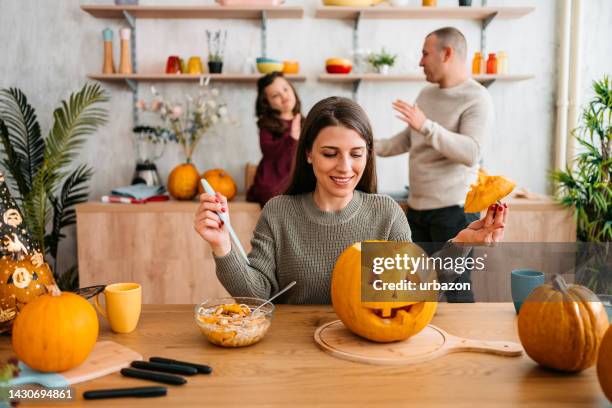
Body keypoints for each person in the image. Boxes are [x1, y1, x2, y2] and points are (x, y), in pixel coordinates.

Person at [194, 97, 507, 304]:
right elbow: (258, 297)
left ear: (368, 154)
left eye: (356, 154)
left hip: (367, 356)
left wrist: (463, 242)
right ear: (308, 154)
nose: (345, 167)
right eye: (330, 154)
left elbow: (415, 286)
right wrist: (222, 246)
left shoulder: (386, 213)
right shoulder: (279, 212)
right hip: (292, 358)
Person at [376, 27, 495, 302]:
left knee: (456, 289)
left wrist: (426, 125)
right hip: (417, 210)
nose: (420, 62)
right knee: (413, 286)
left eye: (425, 54)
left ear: (447, 54)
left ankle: (464, 345)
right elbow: (407, 140)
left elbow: (470, 151)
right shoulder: (426, 94)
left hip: (453, 214)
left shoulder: (477, 98)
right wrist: (366, 146)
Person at [246, 72, 303, 207]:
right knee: (275, 197)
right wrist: (291, 138)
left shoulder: (303, 121)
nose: (284, 96)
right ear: (267, 104)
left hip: (296, 175)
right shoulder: (267, 124)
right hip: (274, 177)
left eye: (285, 89)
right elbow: (267, 149)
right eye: (275, 95)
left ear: (292, 90)